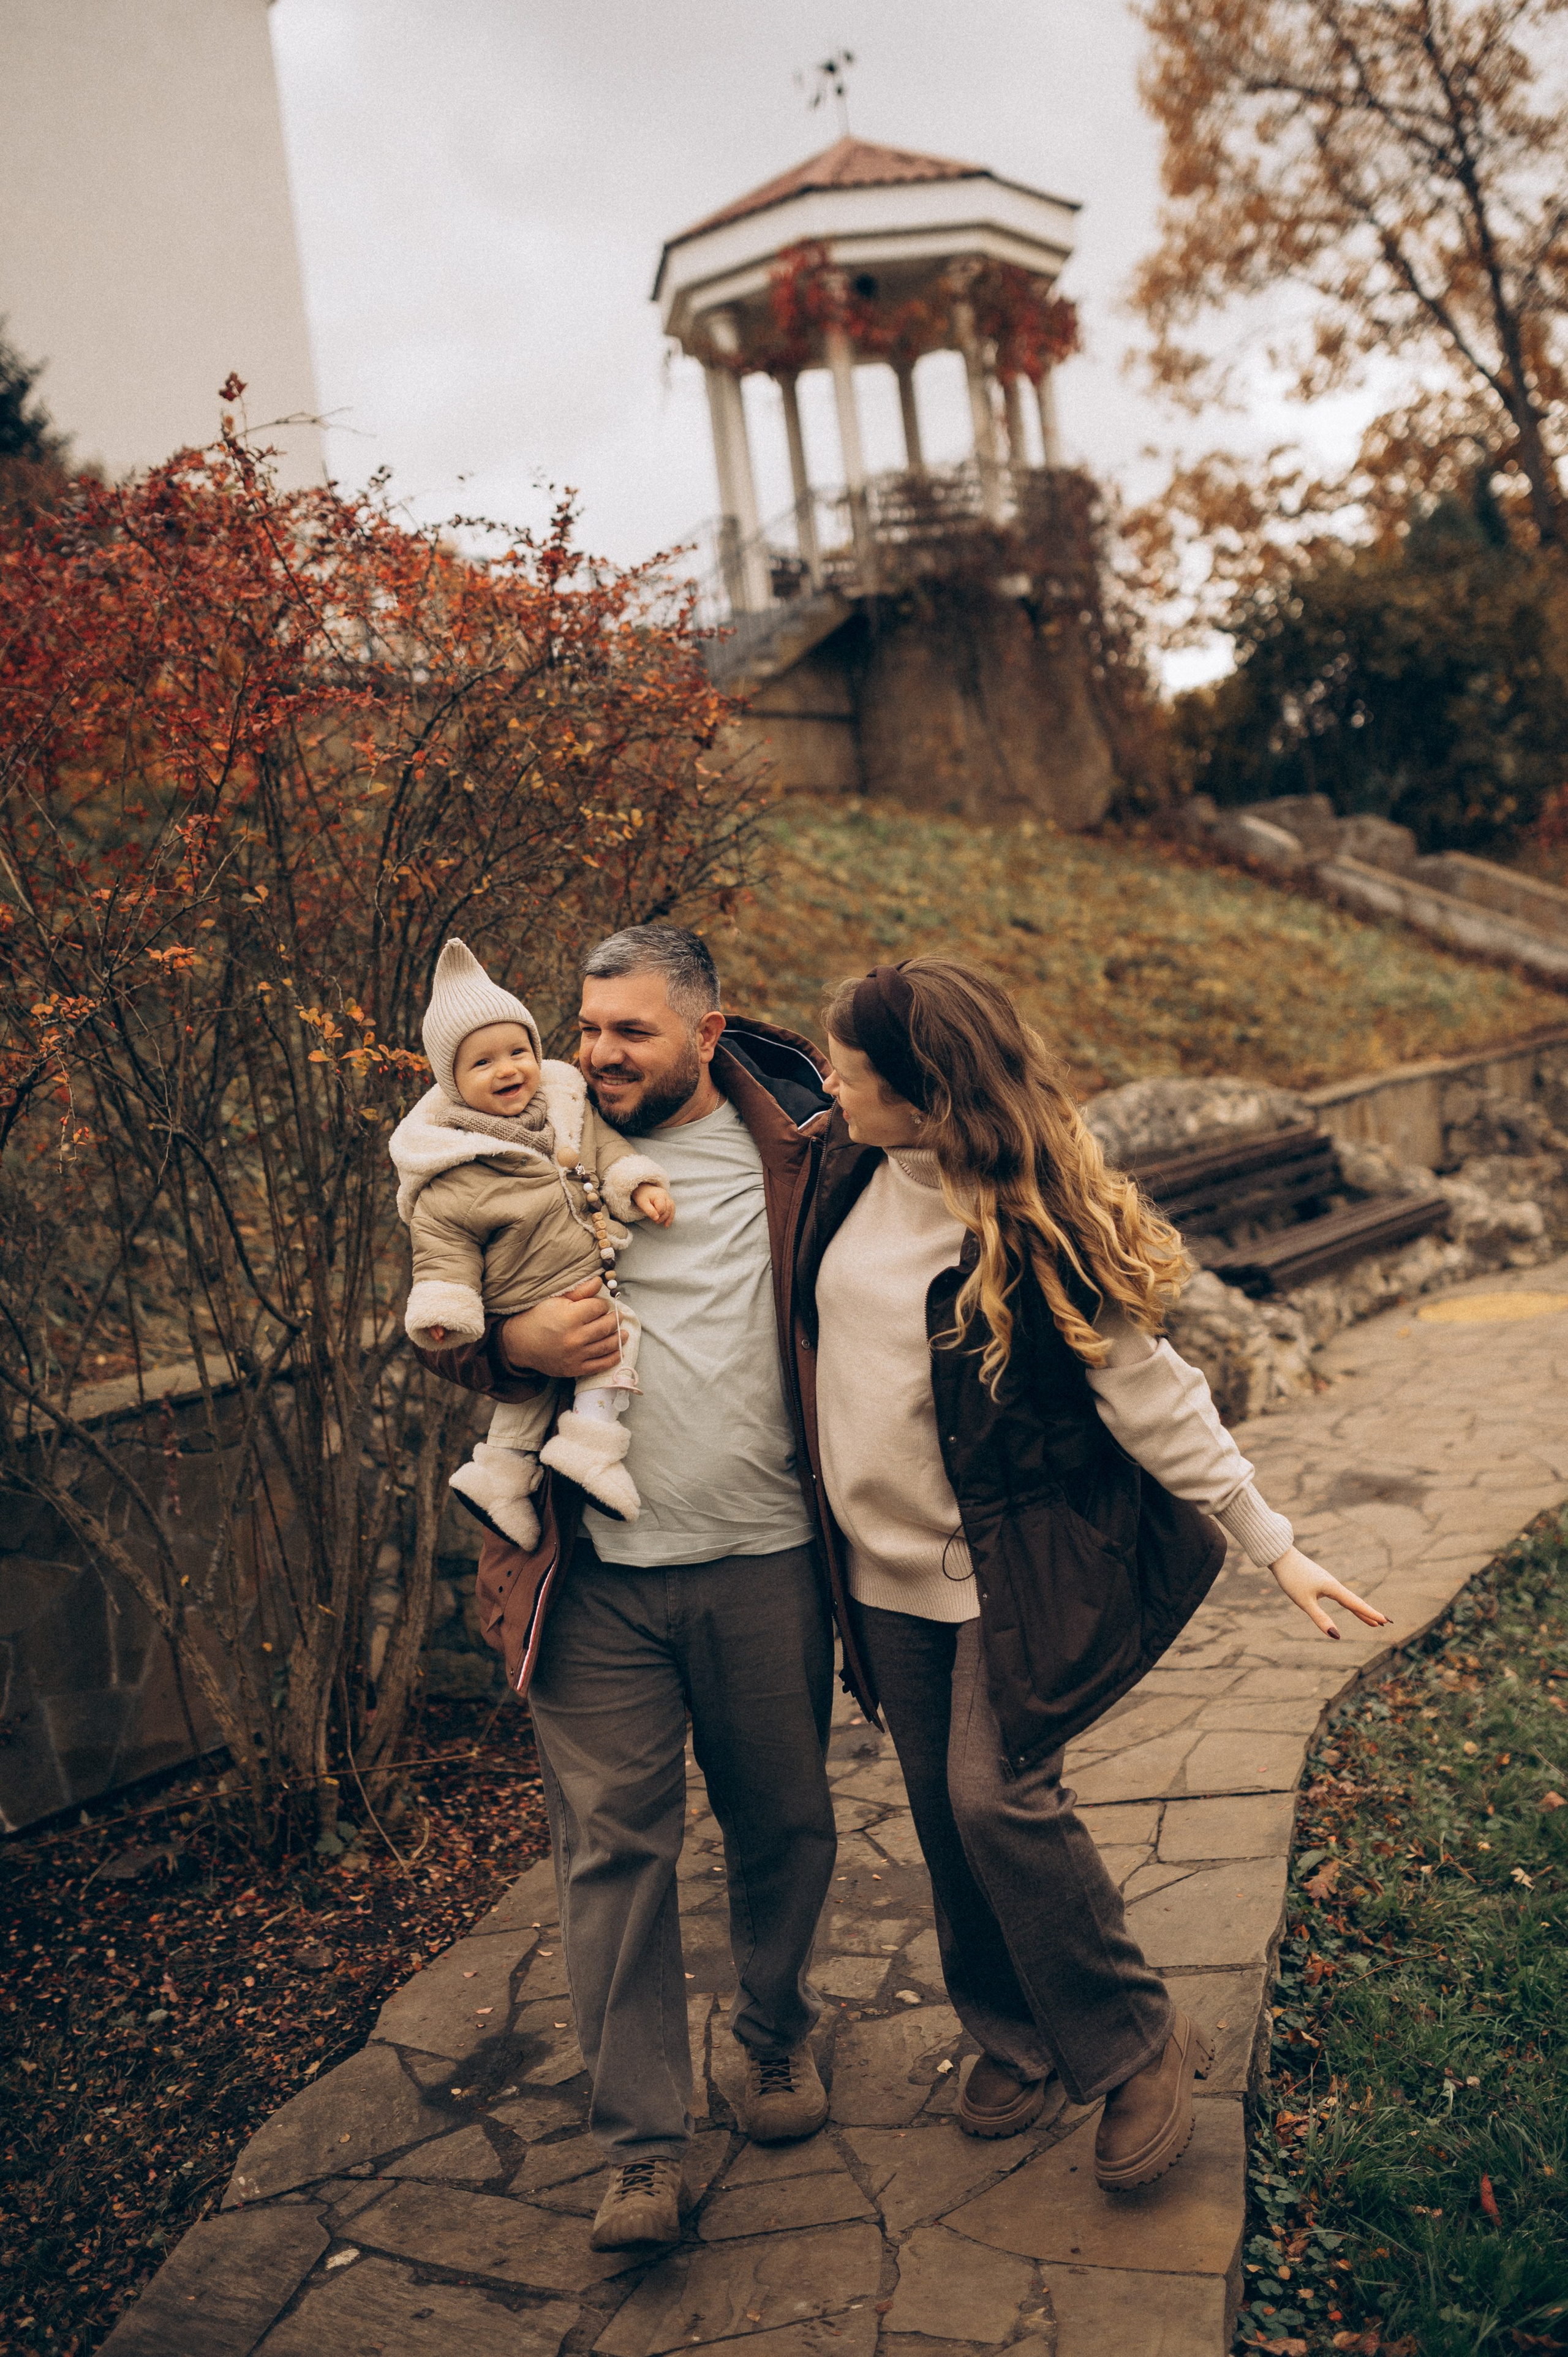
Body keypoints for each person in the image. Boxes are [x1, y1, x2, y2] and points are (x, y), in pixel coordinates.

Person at [802, 958, 1389, 2189]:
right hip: (877, 1571)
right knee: (941, 1819)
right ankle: (1013, 2031)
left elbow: (1156, 1396)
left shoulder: (1028, 1222)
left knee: (992, 1800)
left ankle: (1131, 2044)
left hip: (1002, 1577)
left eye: (848, 1072)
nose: (829, 1084)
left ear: (918, 1094)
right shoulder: (839, 1167)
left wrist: (1271, 1542)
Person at [414, 925, 844, 2251]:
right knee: (614, 1856)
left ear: (705, 1036)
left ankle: (770, 2035)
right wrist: (508, 1338)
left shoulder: (803, 1151)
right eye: (585, 1028)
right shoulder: (513, 1127)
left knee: (782, 1825)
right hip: (586, 1575)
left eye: (628, 1034)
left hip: (766, 1558)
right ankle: (641, 2150)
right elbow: (437, 1293)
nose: (591, 1054)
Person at [391, 937, 674, 1538]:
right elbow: (442, 1247)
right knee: (616, 1331)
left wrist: (635, 1184)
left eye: (518, 1050)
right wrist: (447, 1309)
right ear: (450, 1083)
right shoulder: (453, 1165)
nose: (508, 1069)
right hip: (527, 1290)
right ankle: (592, 1444)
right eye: (483, 1062)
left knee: (532, 1394)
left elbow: (603, 1150)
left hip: (569, 1273)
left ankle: (498, 1475)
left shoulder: (564, 1105)